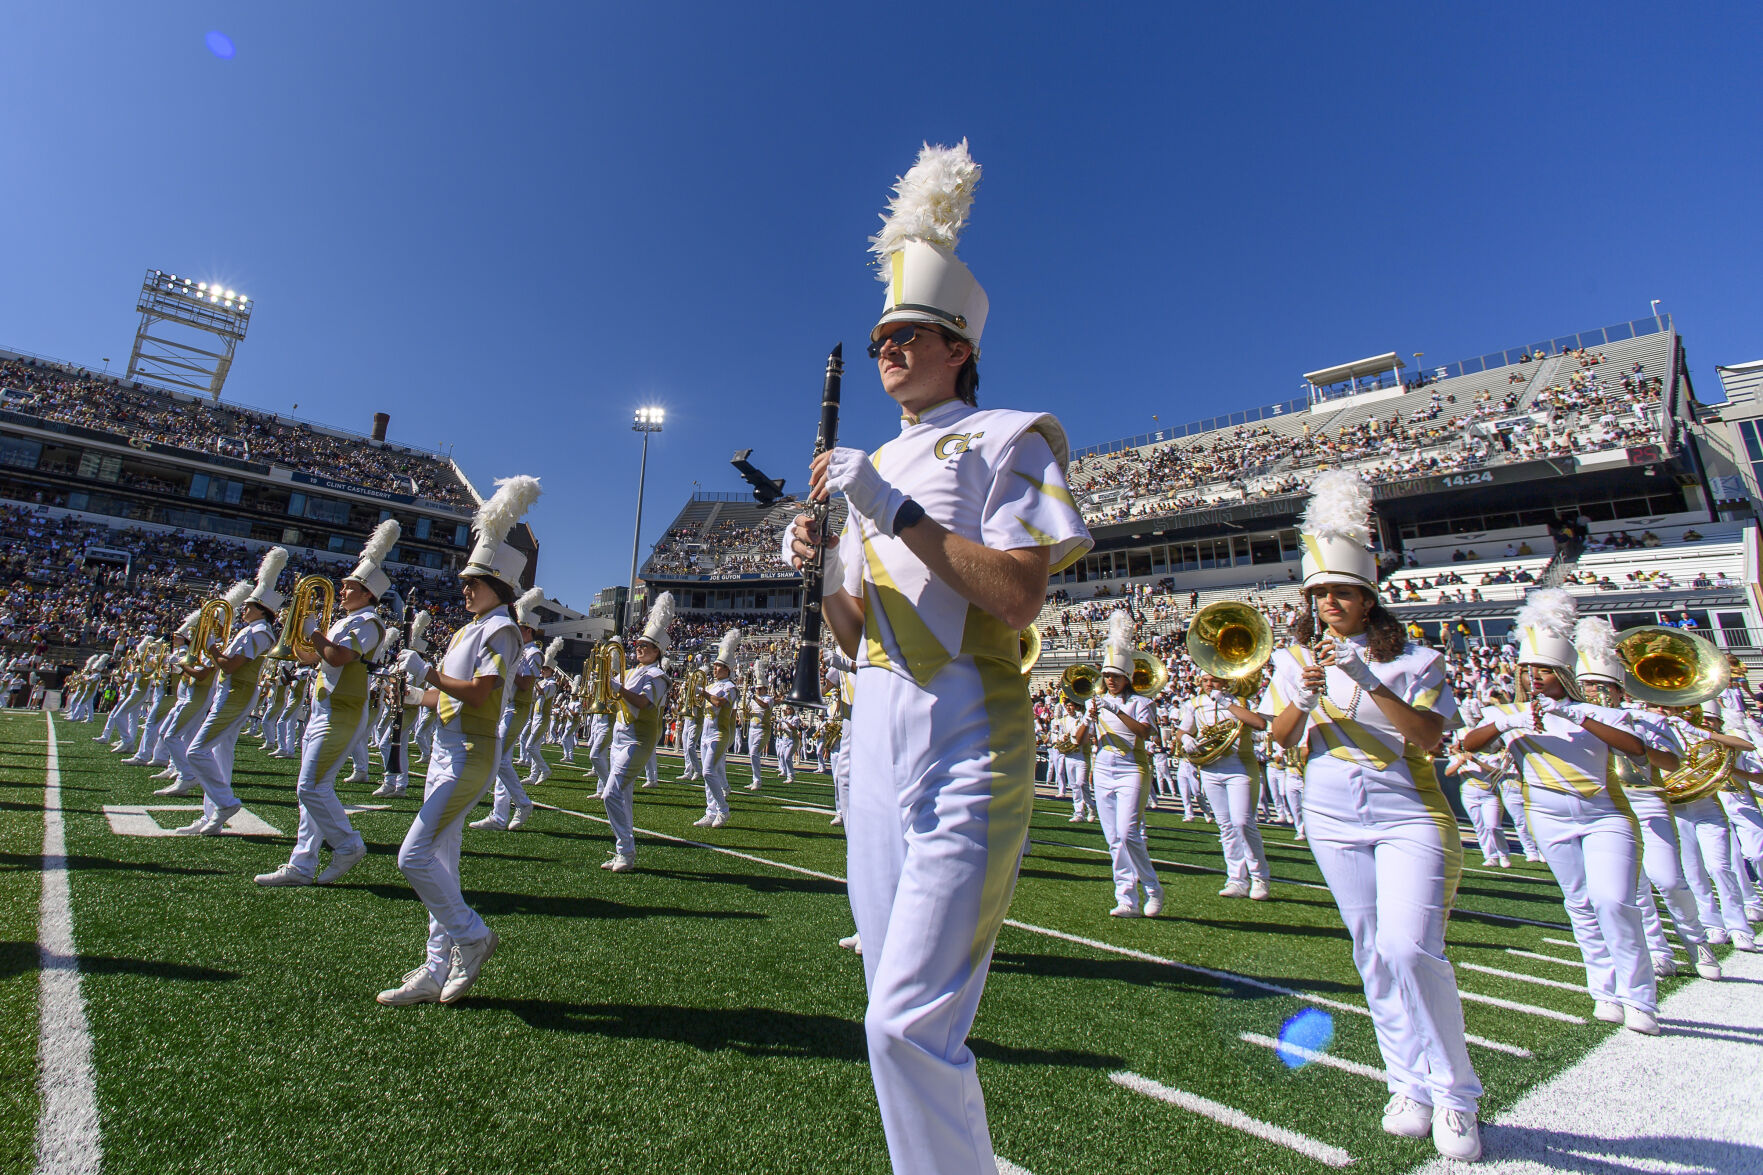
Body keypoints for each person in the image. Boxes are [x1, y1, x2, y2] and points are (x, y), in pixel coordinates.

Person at [784, 140, 1091, 1175]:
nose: (886, 348)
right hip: (875, 732)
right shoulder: (867, 465)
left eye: (905, 333)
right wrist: (823, 556)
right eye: (879, 335)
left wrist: (890, 506)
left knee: (904, 1022)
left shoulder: (1011, 435)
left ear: (957, 346)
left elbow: (1015, 594)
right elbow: (854, 637)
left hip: (969, 731)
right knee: (887, 1002)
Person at [1265, 471, 1482, 1162]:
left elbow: (1428, 737)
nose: (1329, 603)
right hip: (1331, 818)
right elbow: (1280, 737)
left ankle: (1456, 1093)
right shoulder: (1293, 659)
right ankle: (1406, 1084)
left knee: (1409, 949)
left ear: (1368, 598)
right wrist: (1305, 695)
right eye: (1320, 593)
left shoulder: (1418, 658)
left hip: (1408, 814)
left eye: (1342, 592)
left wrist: (1362, 679)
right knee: (1370, 953)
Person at [1461, 589, 1661, 1033]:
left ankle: (1640, 998)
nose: (1534, 677)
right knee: (1581, 903)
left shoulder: (1594, 711)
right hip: (1549, 819)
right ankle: (1604, 991)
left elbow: (1637, 749)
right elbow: (1469, 744)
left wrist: (1576, 716)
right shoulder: (1508, 712)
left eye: (1545, 669)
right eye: (1528, 669)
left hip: (1606, 816)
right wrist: (1506, 721)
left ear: (1564, 673)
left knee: (1615, 901)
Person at [377, 474, 540, 1007]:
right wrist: (413, 695)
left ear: (500, 586)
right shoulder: (469, 630)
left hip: (470, 752)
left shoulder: (502, 630)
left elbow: (481, 692)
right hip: (447, 748)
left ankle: (472, 937)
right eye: (465, 580)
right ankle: (433, 967)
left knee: (413, 857)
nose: (465, 587)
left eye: (475, 581)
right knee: (440, 863)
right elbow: (449, 696)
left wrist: (427, 673)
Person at [256, 527, 396, 886]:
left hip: (343, 712)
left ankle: (348, 845)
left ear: (368, 593)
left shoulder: (370, 623)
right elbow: (315, 657)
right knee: (310, 792)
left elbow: (338, 656)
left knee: (311, 787)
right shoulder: (345, 621)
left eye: (349, 587)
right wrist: (298, 636)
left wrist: (313, 631)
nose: (342, 590)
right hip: (323, 710)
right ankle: (302, 865)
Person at [179, 562, 281, 836]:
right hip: (231, 693)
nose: (243, 609)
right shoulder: (251, 630)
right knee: (220, 753)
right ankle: (211, 815)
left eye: (249, 606)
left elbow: (231, 666)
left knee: (196, 751)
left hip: (236, 695)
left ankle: (225, 803)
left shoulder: (259, 632)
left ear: (262, 609)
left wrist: (211, 645)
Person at [1089, 612, 1164, 917]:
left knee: (1128, 833)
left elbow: (1145, 733)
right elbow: (1083, 737)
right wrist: (1089, 717)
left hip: (1132, 768)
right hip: (1103, 769)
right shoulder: (1095, 702)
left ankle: (1153, 889)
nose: (1111, 681)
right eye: (1107, 676)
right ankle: (1126, 898)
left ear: (1127, 678)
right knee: (1113, 839)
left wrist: (1116, 711)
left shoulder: (1141, 703)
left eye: (1116, 676)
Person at [598, 593, 674, 871]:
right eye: (638, 644)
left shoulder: (658, 677)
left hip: (638, 740)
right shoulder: (630, 673)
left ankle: (626, 851)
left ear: (657, 651)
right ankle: (624, 852)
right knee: (623, 796)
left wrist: (618, 688)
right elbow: (613, 696)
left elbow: (643, 703)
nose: (639, 648)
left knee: (611, 794)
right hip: (619, 737)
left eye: (645, 646)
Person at [1180, 671, 1271, 899]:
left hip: (1239, 766)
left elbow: (1259, 723)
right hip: (1210, 768)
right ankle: (1236, 879)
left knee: (1243, 822)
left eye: (1214, 680)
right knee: (1226, 826)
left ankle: (1259, 877)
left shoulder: (1240, 702)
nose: (1209, 684)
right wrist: (1185, 738)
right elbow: (1183, 730)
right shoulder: (1194, 703)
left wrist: (1226, 703)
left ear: (1225, 682)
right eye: (1205, 680)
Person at [470, 587, 546, 832]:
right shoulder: (520, 649)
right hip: (508, 707)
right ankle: (500, 814)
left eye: (519, 627)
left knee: (499, 759)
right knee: (501, 760)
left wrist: (504, 669)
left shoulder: (534, 653)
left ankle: (521, 803)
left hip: (518, 708)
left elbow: (526, 684)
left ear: (528, 630)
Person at [694, 628, 741, 829]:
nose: (715, 668)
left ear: (727, 669)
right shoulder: (712, 686)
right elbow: (703, 703)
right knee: (708, 775)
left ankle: (723, 809)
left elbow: (719, 702)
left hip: (719, 733)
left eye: (719, 666)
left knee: (708, 772)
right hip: (706, 733)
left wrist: (702, 693)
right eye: (714, 665)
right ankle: (710, 811)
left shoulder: (730, 687)